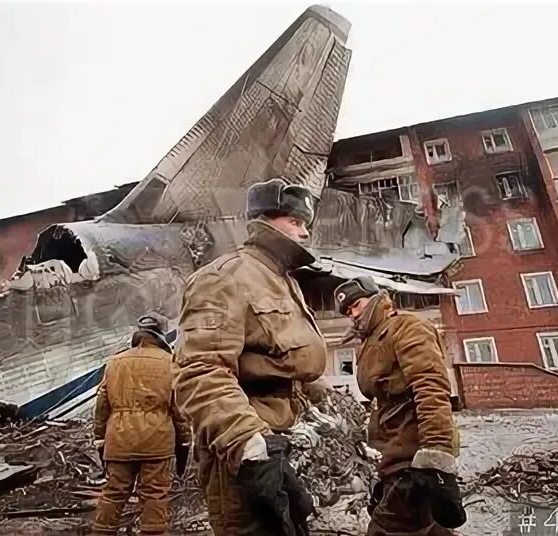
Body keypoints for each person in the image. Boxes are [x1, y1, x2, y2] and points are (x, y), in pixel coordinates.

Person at [173, 177, 327, 536]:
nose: (304, 233)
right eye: (295, 221)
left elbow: (280, 360)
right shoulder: (225, 277)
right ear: (264, 220)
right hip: (242, 456)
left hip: (276, 444)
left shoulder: (283, 281)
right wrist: (249, 445)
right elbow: (199, 371)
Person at [332, 277, 466, 536]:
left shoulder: (406, 327)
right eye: (348, 312)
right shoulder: (371, 342)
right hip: (394, 456)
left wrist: (435, 456)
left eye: (356, 305)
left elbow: (431, 386)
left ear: (376, 298)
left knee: (386, 529)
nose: (353, 315)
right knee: (428, 529)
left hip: (414, 456)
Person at [92, 313, 192, 536]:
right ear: (162, 334)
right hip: (157, 442)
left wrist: (100, 439)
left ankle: (101, 532)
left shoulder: (115, 362)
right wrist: (185, 443)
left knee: (114, 493)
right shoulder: (171, 362)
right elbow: (179, 410)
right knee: (155, 495)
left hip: (118, 440)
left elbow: (101, 406)